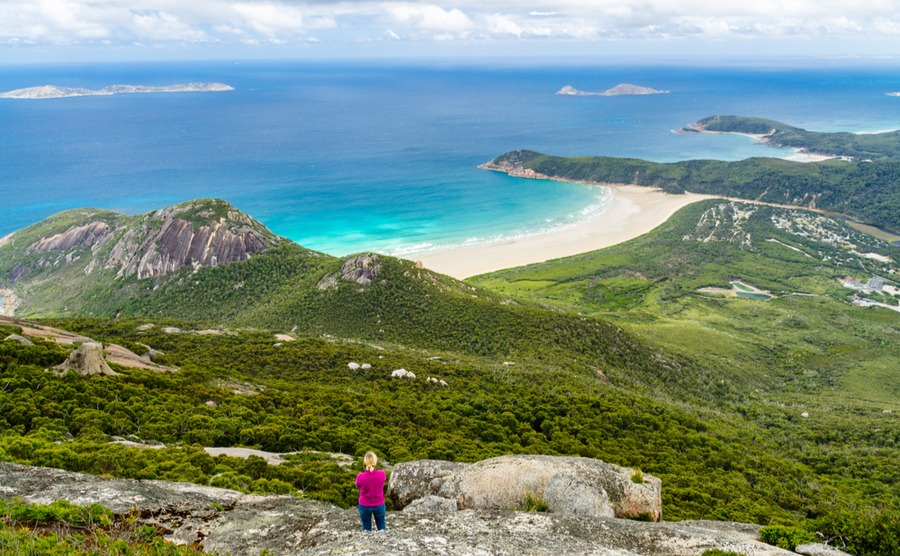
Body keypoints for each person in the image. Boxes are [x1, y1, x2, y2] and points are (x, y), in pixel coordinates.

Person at [356, 451, 387, 531]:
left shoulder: (360, 476)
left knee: (366, 528)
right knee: (382, 527)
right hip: (379, 504)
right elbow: (383, 482)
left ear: (365, 462)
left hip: (364, 505)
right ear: (375, 461)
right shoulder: (382, 474)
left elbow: (357, 486)